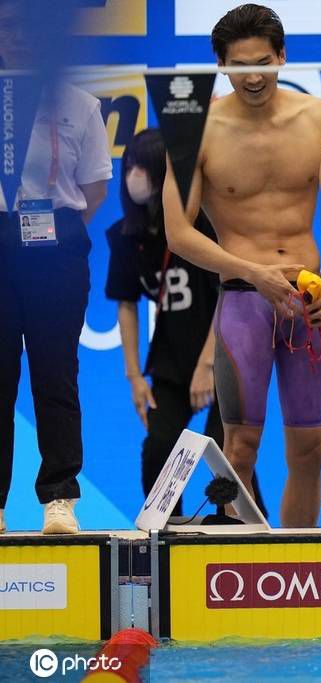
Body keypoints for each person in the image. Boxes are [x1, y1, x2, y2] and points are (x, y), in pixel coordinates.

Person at [164, 4, 321, 527]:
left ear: (283, 56)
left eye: (263, 62)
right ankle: (232, 568)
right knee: (239, 446)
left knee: (310, 448)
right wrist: (253, 270)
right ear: (221, 65)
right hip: (245, 298)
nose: (254, 76)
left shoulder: (318, 118)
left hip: (311, 300)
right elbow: (178, 234)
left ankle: (296, 564)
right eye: (240, 66)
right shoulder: (197, 129)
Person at [106, 128, 267, 517]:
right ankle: (168, 530)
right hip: (170, 359)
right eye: (129, 167)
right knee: (159, 447)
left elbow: (231, 292)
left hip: (221, 348)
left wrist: (207, 365)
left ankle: (244, 530)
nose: (134, 176)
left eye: (144, 168)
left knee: (227, 449)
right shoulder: (126, 235)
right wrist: (134, 378)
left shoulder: (201, 227)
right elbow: (126, 304)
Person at [0, 0, 112, 534]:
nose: (18, 38)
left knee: (55, 375)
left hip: (56, 242)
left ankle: (59, 498)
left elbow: (94, 188)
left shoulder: (80, 104)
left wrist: (55, 230)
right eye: (7, 28)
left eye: (28, 30)